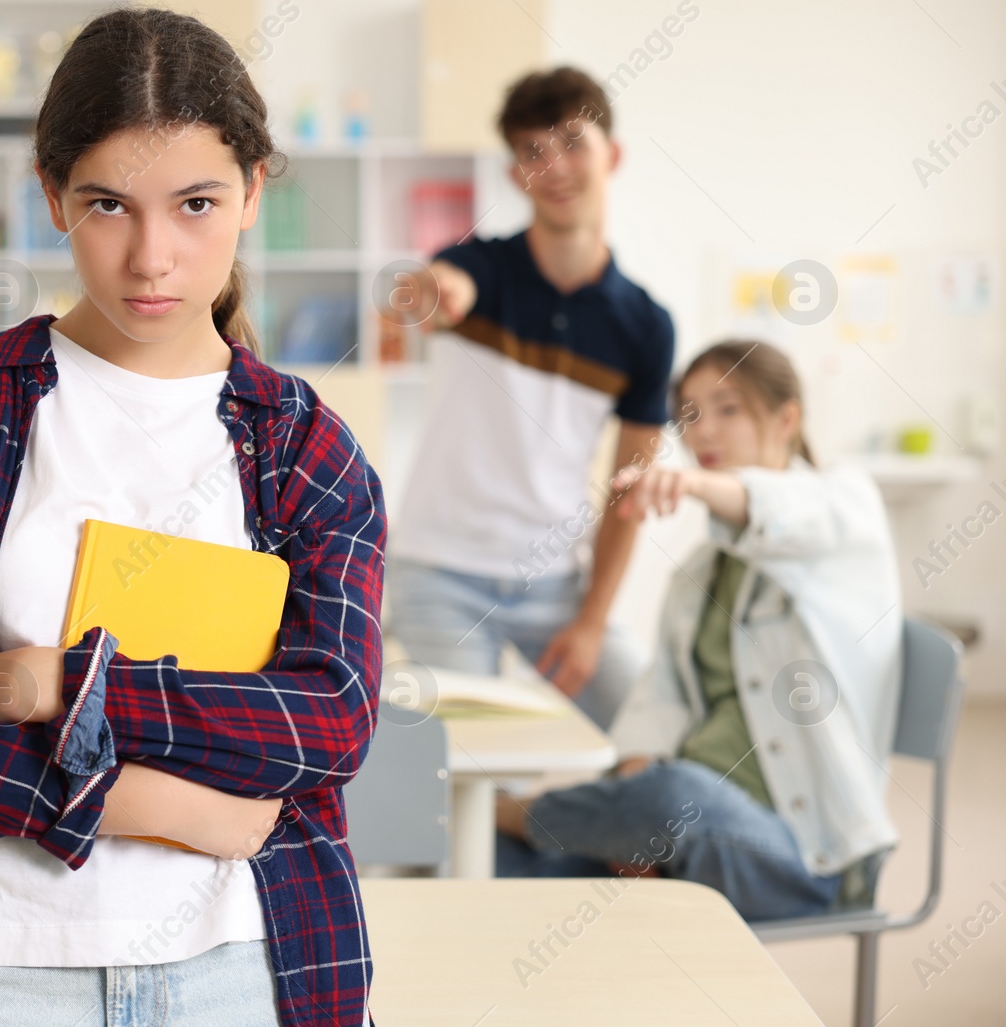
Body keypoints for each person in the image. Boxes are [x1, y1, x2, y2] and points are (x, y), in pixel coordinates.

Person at [0, 8, 386, 1027]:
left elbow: (329, 718)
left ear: (253, 190)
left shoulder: (305, 448)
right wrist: (171, 805)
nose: (152, 256)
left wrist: (59, 681)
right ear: (51, 197)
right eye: (108, 203)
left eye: (196, 203)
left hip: (243, 958)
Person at [494, 340, 903, 922]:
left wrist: (691, 485)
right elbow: (660, 694)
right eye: (689, 413)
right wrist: (631, 818)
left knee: (673, 794)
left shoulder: (845, 505)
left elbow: (788, 508)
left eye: (728, 409)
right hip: (688, 827)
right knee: (502, 865)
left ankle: (522, 810)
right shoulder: (702, 573)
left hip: (804, 854)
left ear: (787, 419)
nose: (703, 430)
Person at [387, 67, 675, 730]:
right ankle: (520, 828)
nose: (556, 166)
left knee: (653, 731)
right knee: (471, 771)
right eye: (532, 151)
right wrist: (430, 294)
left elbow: (630, 491)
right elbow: (435, 285)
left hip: (556, 583)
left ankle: (548, 833)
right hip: (439, 575)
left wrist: (592, 621)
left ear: (613, 154)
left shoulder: (645, 327)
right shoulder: (480, 267)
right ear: (516, 174)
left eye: (573, 142)